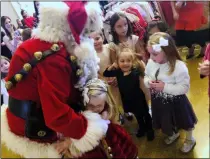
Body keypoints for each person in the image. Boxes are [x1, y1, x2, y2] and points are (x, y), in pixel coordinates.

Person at [1, 2, 110, 158]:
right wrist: (92, 127)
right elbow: (56, 115)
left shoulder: (42, 44)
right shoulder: (53, 58)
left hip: (32, 119)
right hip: (37, 132)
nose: (88, 38)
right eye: (85, 32)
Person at [54, 78, 139, 158]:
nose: (95, 110)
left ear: (105, 103)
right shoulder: (80, 116)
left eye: (99, 106)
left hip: (109, 138)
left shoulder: (106, 114)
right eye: (91, 106)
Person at [144, 32, 197, 153]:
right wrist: (148, 82)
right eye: (150, 53)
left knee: (184, 121)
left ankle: (190, 139)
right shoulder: (152, 62)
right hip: (159, 100)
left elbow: (184, 88)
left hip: (176, 101)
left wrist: (164, 87)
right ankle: (173, 133)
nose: (151, 57)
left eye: (155, 54)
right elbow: (146, 75)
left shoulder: (179, 67)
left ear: (167, 51)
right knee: (166, 120)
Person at [103, 48, 154, 141]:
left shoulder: (135, 71)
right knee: (137, 115)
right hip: (128, 99)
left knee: (145, 114)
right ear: (118, 62)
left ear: (132, 62)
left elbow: (144, 71)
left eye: (128, 61)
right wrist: (112, 66)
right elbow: (106, 73)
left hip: (139, 99)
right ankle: (142, 128)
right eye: (122, 61)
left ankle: (150, 129)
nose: (125, 63)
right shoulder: (118, 72)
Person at [89, 30, 122, 124]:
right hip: (103, 82)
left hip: (114, 79)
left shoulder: (109, 48)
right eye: (91, 40)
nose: (95, 41)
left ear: (102, 37)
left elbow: (115, 62)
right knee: (111, 101)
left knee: (120, 97)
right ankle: (116, 117)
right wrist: (103, 81)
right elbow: (95, 71)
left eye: (97, 38)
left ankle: (124, 112)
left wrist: (115, 77)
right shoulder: (91, 55)